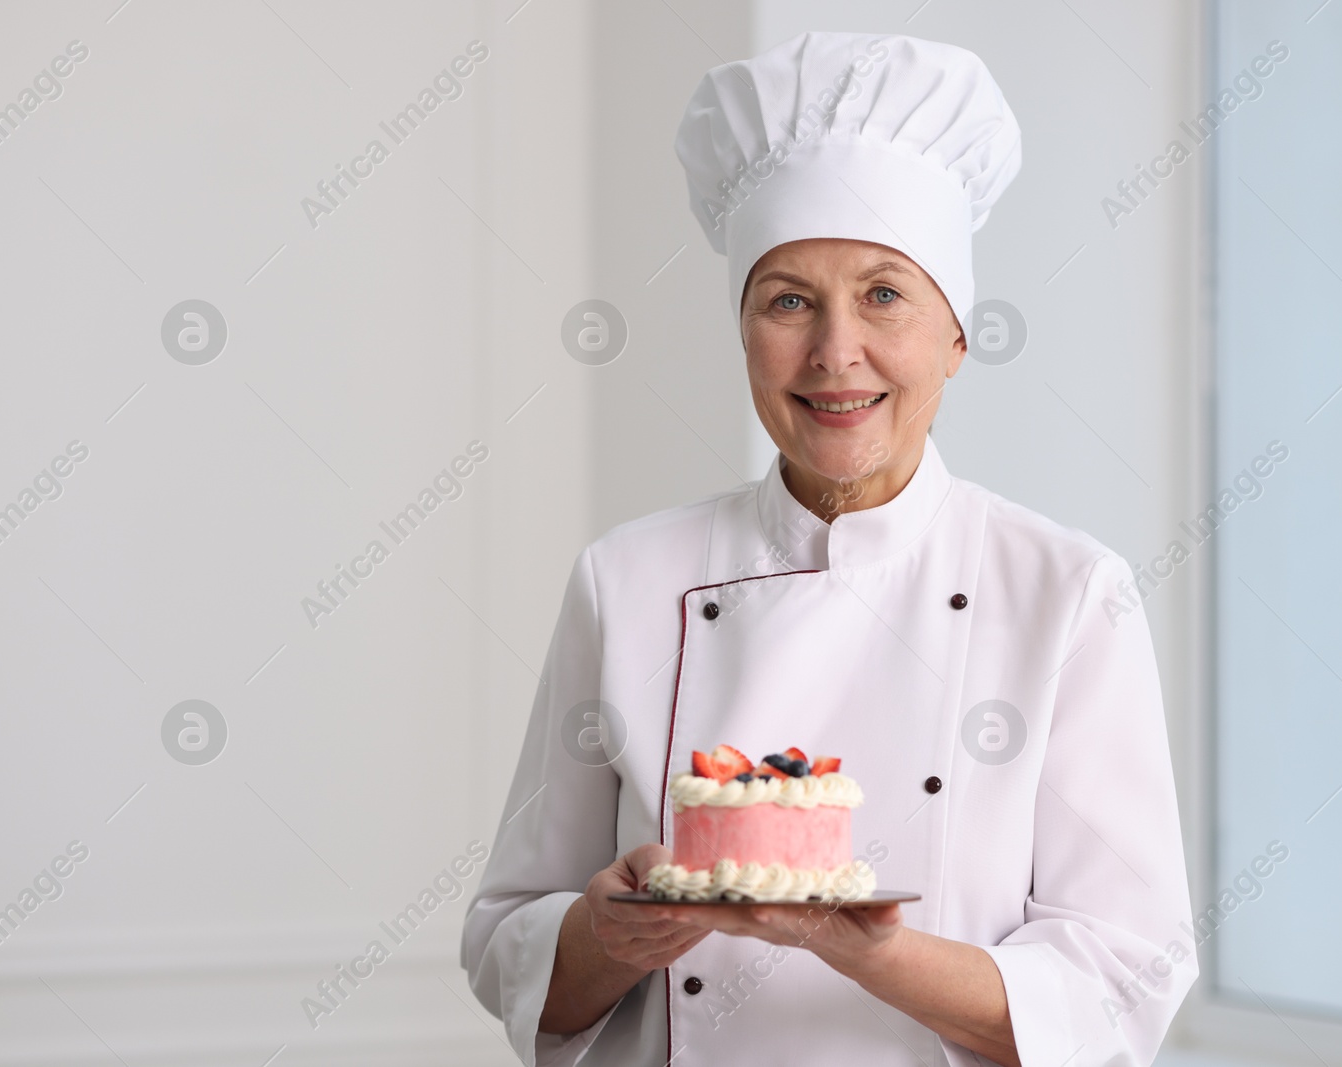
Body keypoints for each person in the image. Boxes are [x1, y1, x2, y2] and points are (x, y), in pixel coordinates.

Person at [462, 30, 1195, 1066]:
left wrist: (863, 951)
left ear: (956, 334)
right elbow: (510, 941)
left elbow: (1124, 977)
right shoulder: (625, 579)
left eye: (884, 294)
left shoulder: (1068, 595)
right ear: (744, 332)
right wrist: (610, 931)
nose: (833, 352)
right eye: (788, 300)